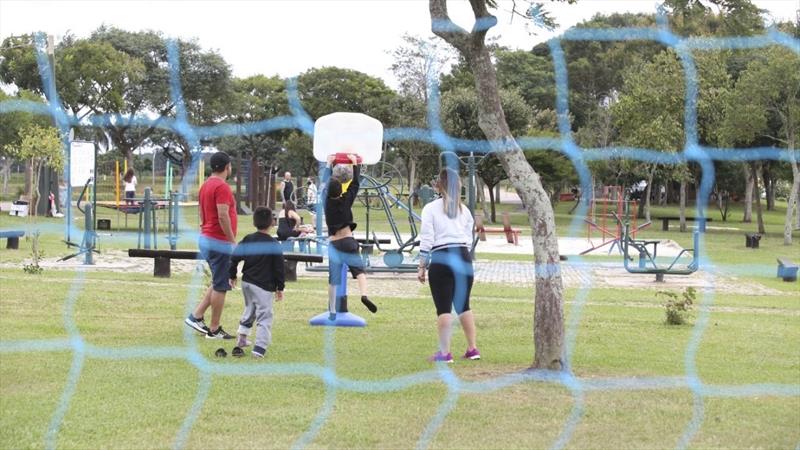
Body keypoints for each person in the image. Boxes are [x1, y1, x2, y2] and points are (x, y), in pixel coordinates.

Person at [417, 168, 479, 363]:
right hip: (463, 256)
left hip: (442, 256)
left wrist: (421, 265)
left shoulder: (430, 209)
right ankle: (472, 348)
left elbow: (427, 238)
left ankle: (445, 353)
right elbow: (468, 238)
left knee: (443, 308)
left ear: (438, 186)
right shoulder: (464, 210)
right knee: (464, 305)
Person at [185, 151, 238, 339]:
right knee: (221, 285)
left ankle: (196, 315)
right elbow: (223, 215)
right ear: (227, 167)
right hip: (218, 241)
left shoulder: (206, 185)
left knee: (218, 281)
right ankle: (214, 329)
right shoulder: (221, 187)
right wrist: (231, 241)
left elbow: (202, 212)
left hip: (207, 237)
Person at [323, 153, 376, 315]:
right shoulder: (346, 200)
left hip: (334, 244)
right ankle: (364, 295)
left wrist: (328, 165)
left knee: (333, 280)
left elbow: (325, 184)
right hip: (348, 241)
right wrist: (355, 165)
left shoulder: (325, 203)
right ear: (341, 190)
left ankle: (332, 309)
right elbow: (355, 184)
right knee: (360, 272)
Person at [228, 206, 285, 358]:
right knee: (264, 316)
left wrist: (232, 275)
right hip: (263, 286)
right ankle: (259, 348)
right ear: (272, 223)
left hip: (247, 283)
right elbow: (280, 268)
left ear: (254, 222)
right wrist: (280, 287)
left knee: (250, 310)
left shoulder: (248, 239)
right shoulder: (274, 245)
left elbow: (234, 258)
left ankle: (241, 338)